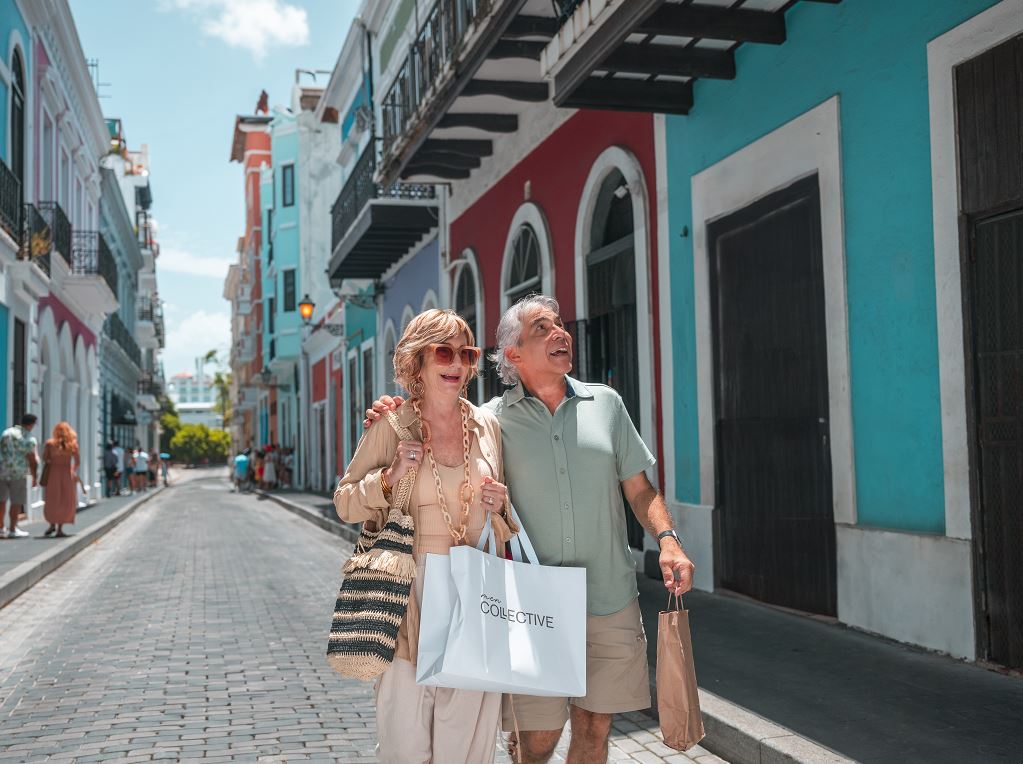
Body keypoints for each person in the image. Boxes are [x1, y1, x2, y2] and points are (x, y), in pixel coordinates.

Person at [365, 295, 695, 764]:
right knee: (537, 740)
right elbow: (436, 424)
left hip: (608, 597)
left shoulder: (606, 404)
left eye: (560, 325)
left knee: (596, 727)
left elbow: (641, 490)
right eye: (543, 328)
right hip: (529, 607)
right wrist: (391, 416)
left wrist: (668, 541)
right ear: (513, 354)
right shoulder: (489, 422)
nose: (561, 333)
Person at [335, 309, 516, 763]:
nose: (457, 363)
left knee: (468, 746)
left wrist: (501, 506)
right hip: (408, 598)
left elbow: (501, 520)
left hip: (474, 596)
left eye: (466, 353)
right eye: (443, 352)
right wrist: (391, 476)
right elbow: (345, 502)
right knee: (406, 744)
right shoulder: (391, 425)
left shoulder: (487, 426)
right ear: (417, 360)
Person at [0, 413, 39, 539]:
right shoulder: (29, 439)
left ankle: (0, 528)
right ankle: (12, 529)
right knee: (16, 501)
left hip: (2, 471)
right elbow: (32, 459)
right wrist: (34, 477)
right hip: (18, 473)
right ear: (32, 424)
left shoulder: (6, 433)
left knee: (1, 500)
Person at [42, 422, 79, 538]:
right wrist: (72, 470)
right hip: (67, 474)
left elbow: (45, 458)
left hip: (53, 474)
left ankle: (52, 524)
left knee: (53, 499)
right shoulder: (73, 445)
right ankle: (60, 529)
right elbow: (77, 462)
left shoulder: (50, 444)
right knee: (65, 500)